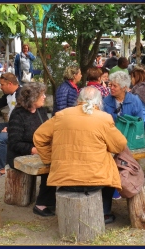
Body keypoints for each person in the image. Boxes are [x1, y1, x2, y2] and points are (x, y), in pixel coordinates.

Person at [33, 86, 127, 224]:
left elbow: (38, 137)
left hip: (64, 179)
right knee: (109, 165)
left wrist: (50, 159)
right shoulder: (104, 118)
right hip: (97, 180)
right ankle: (104, 213)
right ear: (99, 102)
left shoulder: (61, 115)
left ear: (78, 100)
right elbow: (120, 145)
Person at [7, 82, 56, 216]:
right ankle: (41, 204)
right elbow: (14, 142)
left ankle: (51, 200)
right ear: (33, 98)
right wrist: (34, 150)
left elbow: (47, 132)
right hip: (19, 155)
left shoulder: (41, 111)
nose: (45, 97)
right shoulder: (18, 114)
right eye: (42, 94)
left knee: (59, 161)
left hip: (39, 152)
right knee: (50, 166)